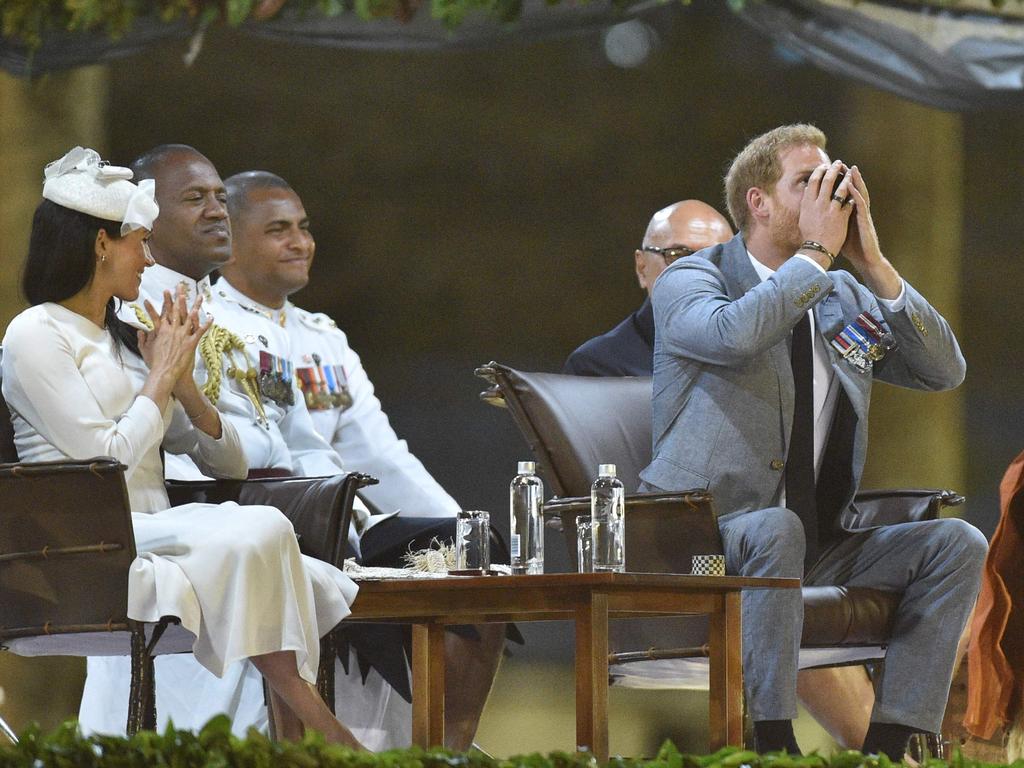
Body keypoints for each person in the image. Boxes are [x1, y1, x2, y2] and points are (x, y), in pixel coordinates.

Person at [637, 123, 987, 758]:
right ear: (758, 201)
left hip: (813, 538)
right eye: (808, 182)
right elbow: (732, 336)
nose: (831, 196)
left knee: (955, 543)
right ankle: (771, 742)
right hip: (701, 535)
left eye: (833, 180)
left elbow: (943, 372)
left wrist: (873, 265)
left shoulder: (839, 292)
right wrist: (816, 258)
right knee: (777, 529)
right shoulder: (693, 279)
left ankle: (897, 739)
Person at [2, 147, 362, 747]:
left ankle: (300, 722)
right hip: (84, 539)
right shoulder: (36, 333)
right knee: (262, 531)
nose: (149, 255)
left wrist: (187, 390)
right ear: (100, 245)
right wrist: (159, 380)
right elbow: (106, 465)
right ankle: (308, 721)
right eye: (139, 241)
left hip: (154, 527)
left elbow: (231, 463)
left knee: (265, 531)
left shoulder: (122, 339)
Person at [564, 197, 876, 749]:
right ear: (644, 267)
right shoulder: (602, 362)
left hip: (772, 542)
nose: (697, 267)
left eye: (713, 254)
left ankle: (883, 749)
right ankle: (783, 742)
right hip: (680, 546)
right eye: (679, 254)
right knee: (778, 574)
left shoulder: (768, 334)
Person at [217, 169, 507, 751]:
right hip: (281, 518)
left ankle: (446, 746)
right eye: (278, 230)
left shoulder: (324, 339)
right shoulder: (214, 325)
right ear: (230, 241)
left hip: (350, 517)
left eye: (303, 227)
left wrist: (461, 527)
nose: (300, 242)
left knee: (479, 558)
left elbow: (380, 452)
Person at [563, 199, 733, 376]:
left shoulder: (757, 356)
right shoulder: (598, 366)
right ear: (642, 267)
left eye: (717, 258)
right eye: (677, 256)